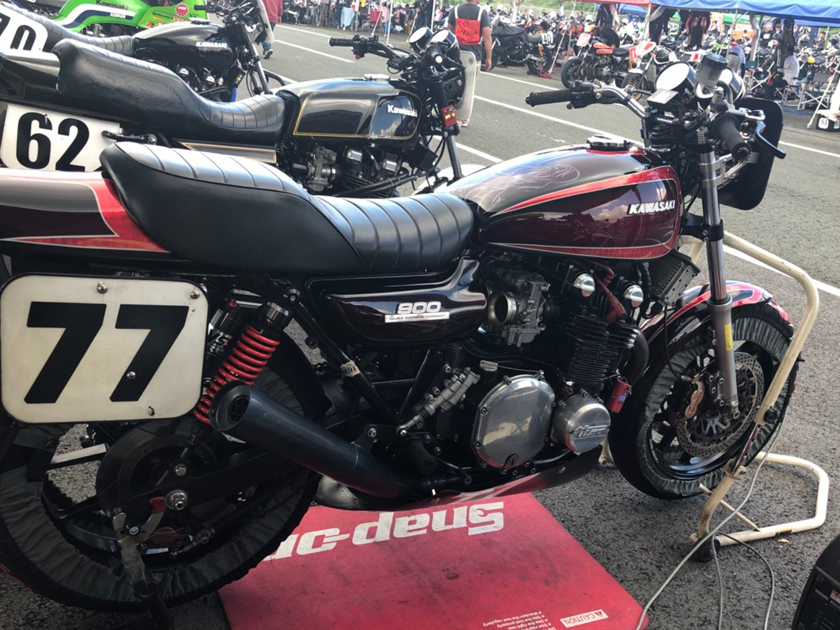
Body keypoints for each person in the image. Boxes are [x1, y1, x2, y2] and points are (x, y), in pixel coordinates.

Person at [446, 0, 492, 71]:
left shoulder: (455, 10)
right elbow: (487, 37)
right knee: (471, 78)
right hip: (474, 56)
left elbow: (448, 33)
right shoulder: (482, 13)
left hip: (456, 54)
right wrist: (489, 58)